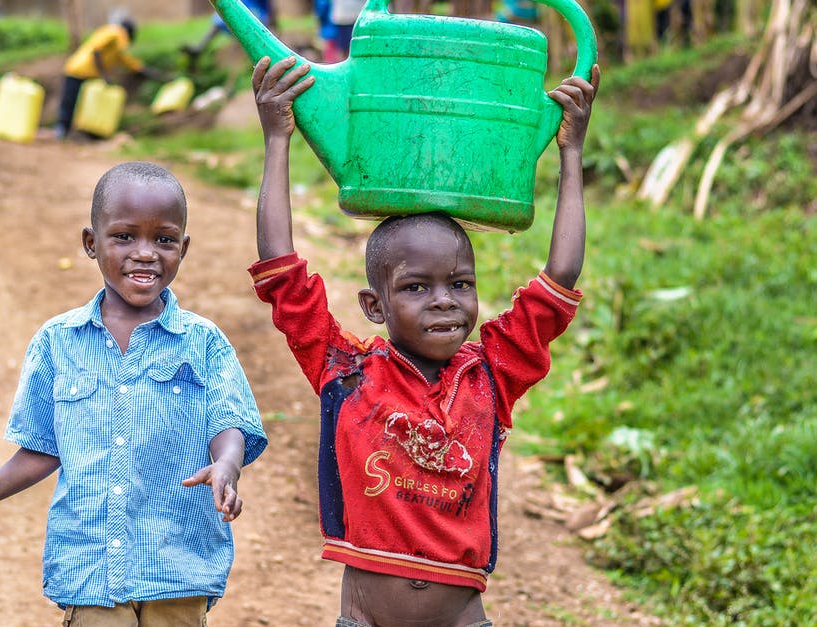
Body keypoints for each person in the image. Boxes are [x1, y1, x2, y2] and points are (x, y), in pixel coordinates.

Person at [247, 56, 599, 625]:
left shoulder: (493, 375)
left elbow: (560, 277)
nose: (444, 300)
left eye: (460, 283)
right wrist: (277, 138)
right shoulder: (348, 373)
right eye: (416, 287)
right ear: (374, 306)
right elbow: (282, 270)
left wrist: (571, 153)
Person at [0, 161, 268, 623]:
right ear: (91, 243)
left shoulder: (203, 341)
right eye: (125, 236)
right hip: (91, 566)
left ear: (183, 248)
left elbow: (228, 421)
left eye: (164, 240)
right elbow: (43, 448)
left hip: (177, 563)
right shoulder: (57, 341)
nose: (146, 253)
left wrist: (227, 464)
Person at [54, 14, 154, 140]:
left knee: (84, 102)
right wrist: (104, 75)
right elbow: (96, 51)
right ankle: (61, 129)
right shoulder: (114, 32)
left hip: (90, 74)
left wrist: (143, 70)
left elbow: (125, 60)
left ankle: (82, 131)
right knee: (70, 100)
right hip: (78, 69)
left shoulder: (116, 44)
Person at [182, 0, 274, 65]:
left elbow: (270, 7)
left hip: (256, 11)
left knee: (249, 24)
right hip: (243, 6)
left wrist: (272, 24)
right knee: (218, 20)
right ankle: (200, 48)